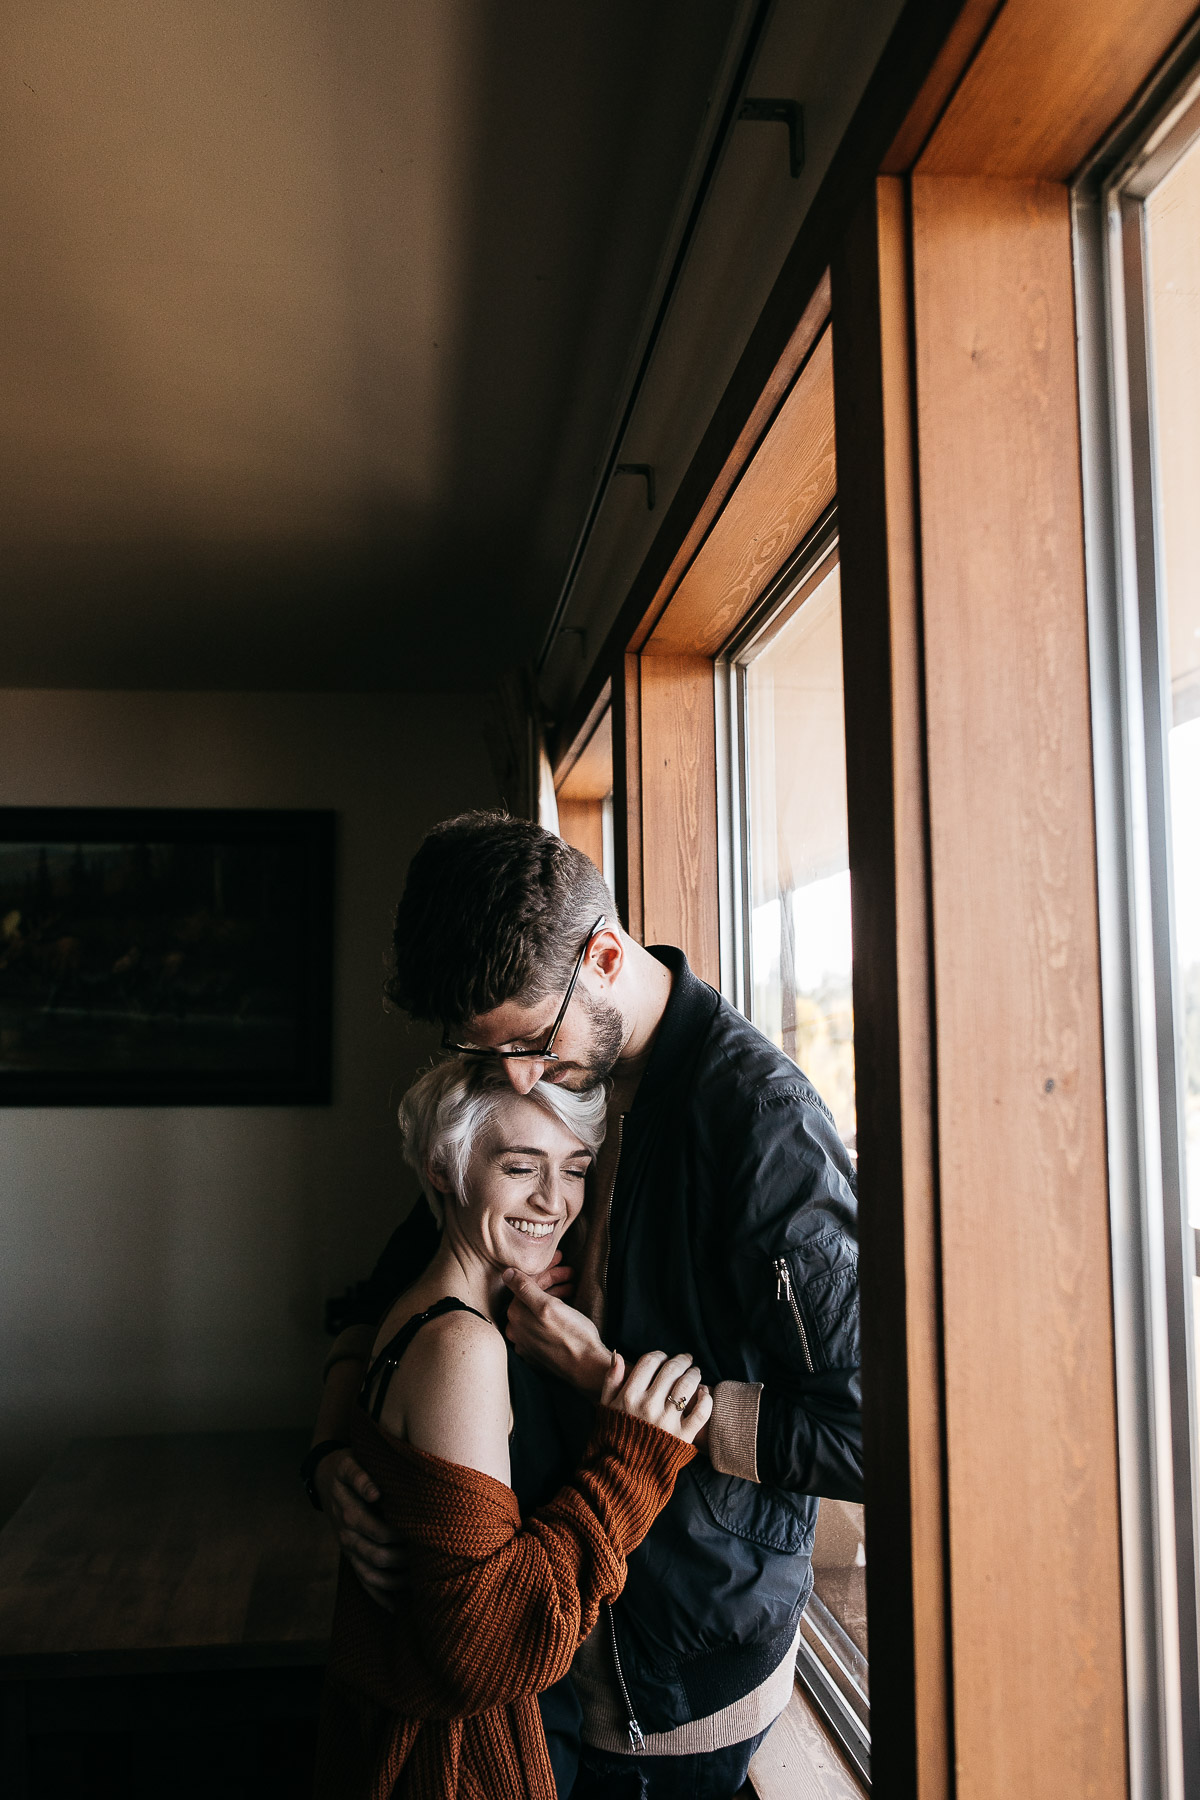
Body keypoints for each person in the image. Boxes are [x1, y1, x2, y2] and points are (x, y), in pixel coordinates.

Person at [309, 812, 862, 1799]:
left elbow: (872, 1428)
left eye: (527, 1043)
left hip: (678, 1678)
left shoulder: (761, 1127)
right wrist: (333, 1446)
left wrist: (625, 1394)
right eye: (484, 1054)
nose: (513, 1076)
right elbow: (394, 1276)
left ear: (604, 954)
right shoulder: (529, 1060)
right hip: (537, 1660)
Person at [313, 1056, 711, 1800]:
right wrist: (630, 1465)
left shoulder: (452, 1316)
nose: (555, 1201)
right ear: (444, 1168)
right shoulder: (460, 1347)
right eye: (522, 1166)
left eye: (575, 1168)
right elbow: (480, 1647)